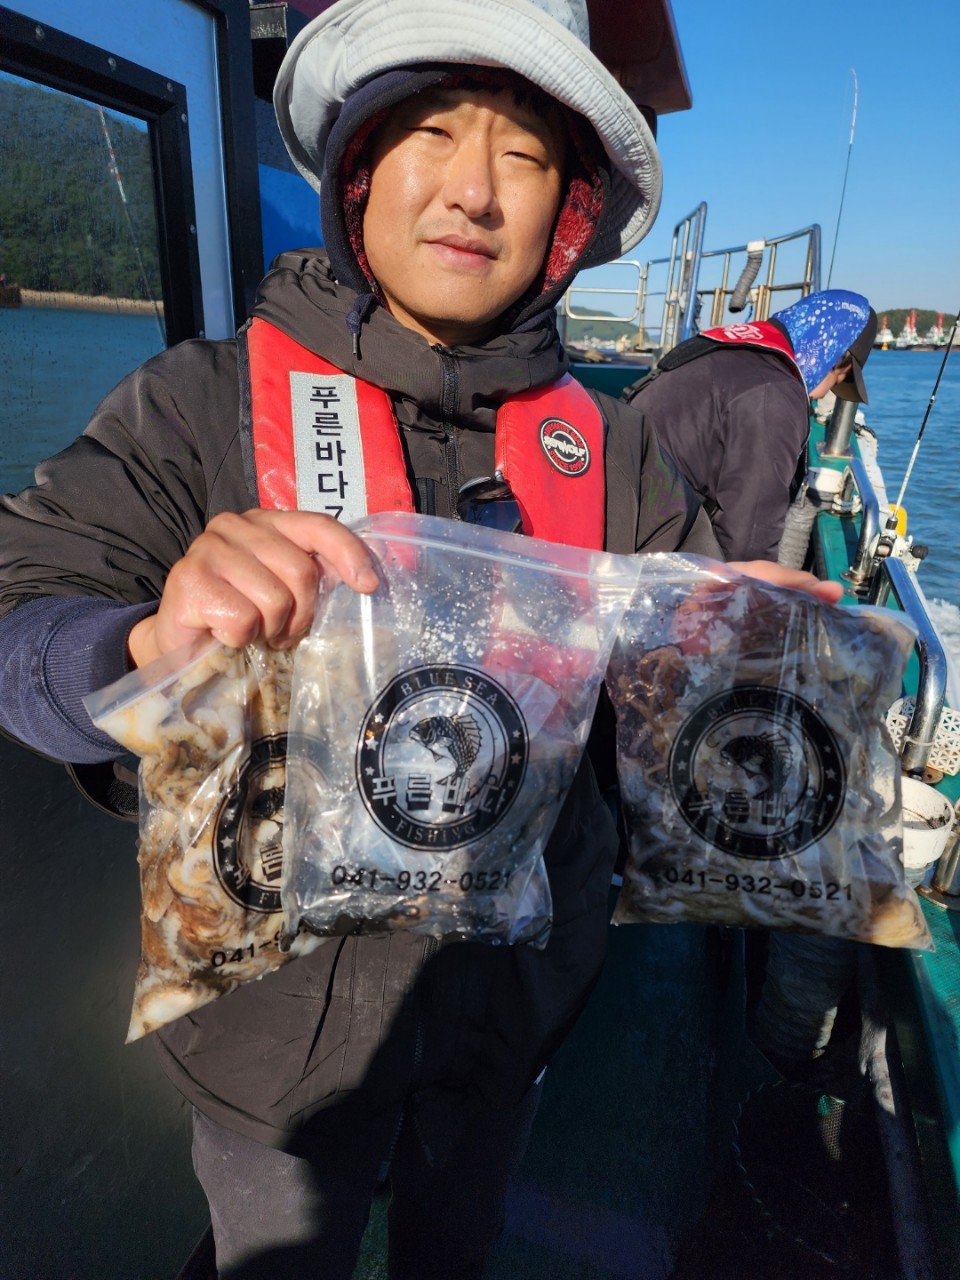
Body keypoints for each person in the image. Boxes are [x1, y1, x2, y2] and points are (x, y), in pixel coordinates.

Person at [0, 1, 840, 1275]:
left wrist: (742, 671)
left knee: (459, 1244)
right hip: (268, 1052)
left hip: (513, 1024)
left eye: (524, 154)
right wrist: (137, 647)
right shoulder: (196, 402)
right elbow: (24, 607)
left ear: (566, 212)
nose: (472, 190)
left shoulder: (617, 451)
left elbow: (660, 734)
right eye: (431, 131)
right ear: (358, 165)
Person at [623, 290, 878, 561]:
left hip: (621, 494)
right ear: (838, 357)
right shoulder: (775, 394)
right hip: (638, 540)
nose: (827, 392)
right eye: (842, 378)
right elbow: (748, 542)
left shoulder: (730, 345)